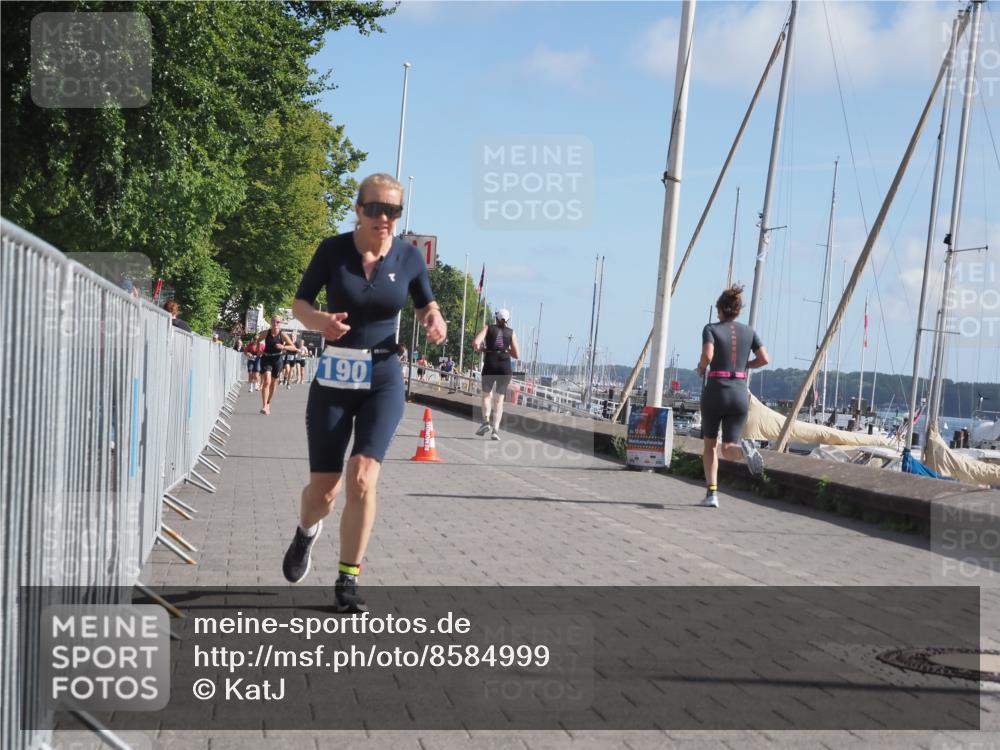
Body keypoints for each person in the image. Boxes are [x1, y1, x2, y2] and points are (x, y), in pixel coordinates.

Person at [282, 173, 446, 613]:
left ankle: (347, 579)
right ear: (358, 210)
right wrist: (320, 322)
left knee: (362, 474)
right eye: (375, 209)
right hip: (335, 378)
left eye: (393, 211)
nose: (384, 218)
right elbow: (300, 304)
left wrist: (435, 318)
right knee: (324, 492)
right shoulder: (332, 250)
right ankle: (305, 531)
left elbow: (426, 303)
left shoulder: (409, 257)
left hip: (383, 376)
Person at [696, 284, 770, 509]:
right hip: (739, 392)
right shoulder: (750, 331)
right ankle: (744, 451)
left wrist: (701, 367)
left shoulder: (711, 328)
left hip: (716, 390)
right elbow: (764, 359)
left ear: (720, 309)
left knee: (710, 446)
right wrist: (745, 365)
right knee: (728, 448)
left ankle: (712, 495)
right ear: (737, 310)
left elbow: (708, 354)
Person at [473, 309, 519, 440]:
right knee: (499, 400)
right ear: (508, 320)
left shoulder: (488, 328)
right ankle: (495, 431)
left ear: (496, 319)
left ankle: (486, 421)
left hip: (490, 363)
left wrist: (483, 349)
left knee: (486, 395)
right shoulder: (511, 333)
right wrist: (506, 349)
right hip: (504, 367)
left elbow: (476, 343)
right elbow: (517, 354)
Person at [255, 315, 296, 415]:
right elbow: (257, 340)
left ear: (280, 323)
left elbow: (293, 347)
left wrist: (283, 347)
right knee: (267, 381)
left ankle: (268, 403)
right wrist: (258, 350)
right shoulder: (266, 333)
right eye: (273, 321)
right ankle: (264, 406)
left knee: (273, 384)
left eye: (277, 322)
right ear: (271, 322)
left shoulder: (283, 335)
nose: (275, 323)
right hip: (266, 358)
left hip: (277, 360)